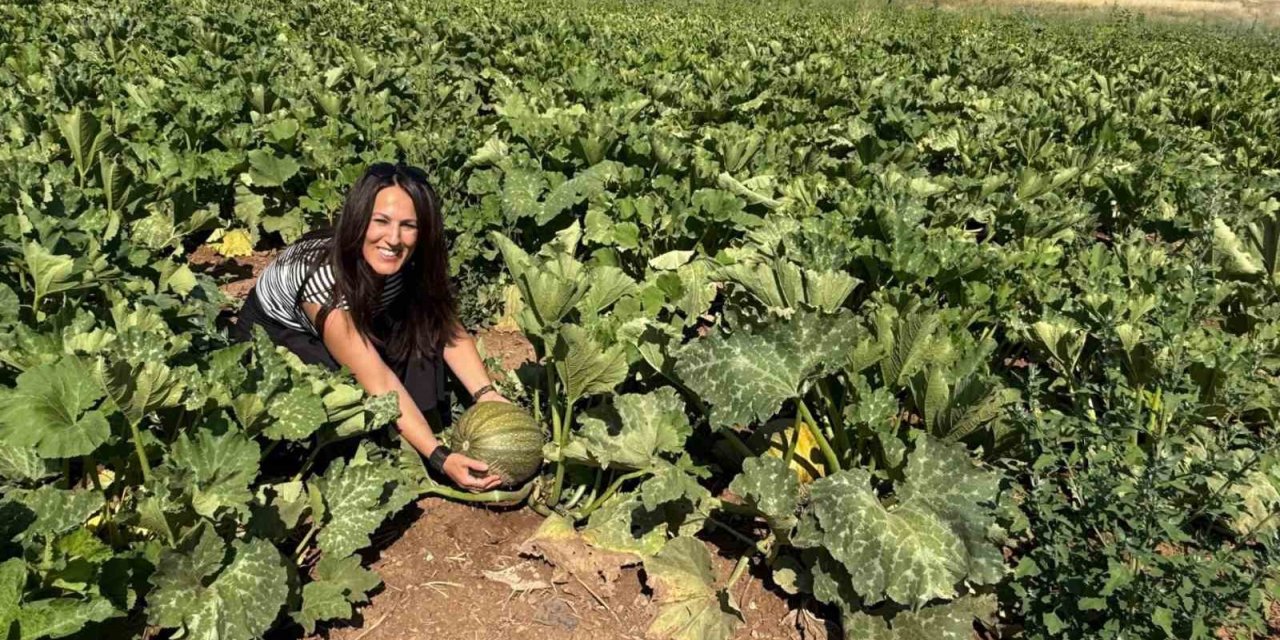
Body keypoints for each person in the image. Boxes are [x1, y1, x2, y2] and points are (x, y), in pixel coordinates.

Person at [232, 162, 503, 492]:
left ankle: (410, 425)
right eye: (381, 221)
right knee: (345, 392)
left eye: (409, 226)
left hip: (362, 313)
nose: (393, 238)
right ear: (360, 220)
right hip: (279, 338)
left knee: (422, 329)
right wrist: (440, 457)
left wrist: (487, 395)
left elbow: (445, 325)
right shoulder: (323, 278)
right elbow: (376, 377)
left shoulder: (412, 262)